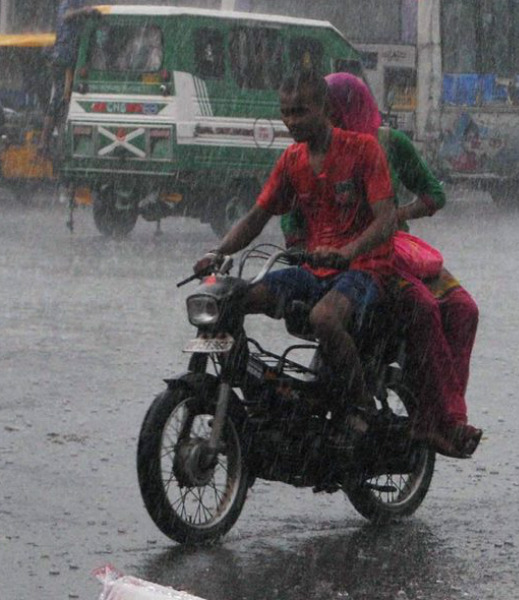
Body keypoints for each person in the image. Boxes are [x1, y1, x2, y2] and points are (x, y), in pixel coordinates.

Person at [193, 70, 398, 456]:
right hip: (312, 271)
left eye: (300, 112)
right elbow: (257, 216)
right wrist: (219, 253)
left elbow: (386, 219)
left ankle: (360, 408)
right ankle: (261, 395)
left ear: (324, 108)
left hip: (363, 270)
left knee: (324, 318)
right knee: (232, 299)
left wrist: (349, 251)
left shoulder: (363, 150)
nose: (290, 122)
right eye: (285, 112)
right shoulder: (292, 160)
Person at [314, 72, 482, 458]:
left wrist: (393, 216)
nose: (330, 121)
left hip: (398, 250)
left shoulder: (389, 143)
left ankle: (446, 412)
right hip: (358, 262)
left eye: (334, 112)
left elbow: (434, 194)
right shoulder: (317, 153)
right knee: (421, 308)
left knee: (463, 309)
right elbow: (292, 211)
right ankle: (439, 420)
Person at [41, 0, 96, 154]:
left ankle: (56, 138)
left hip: (69, 56)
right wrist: (84, 11)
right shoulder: (70, 3)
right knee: (62, 97)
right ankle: (46, 141)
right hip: (65, 57)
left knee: (65, 97)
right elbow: (66, 15)